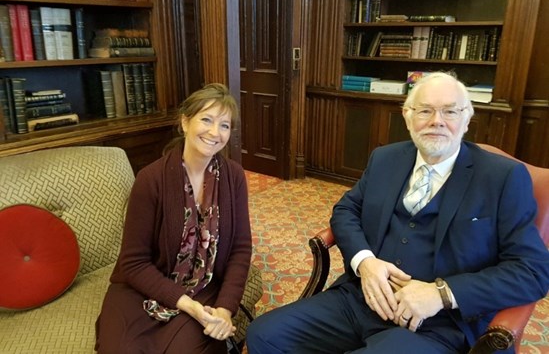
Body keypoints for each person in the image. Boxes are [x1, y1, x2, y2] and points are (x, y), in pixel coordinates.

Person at [246, 72, 549, 354]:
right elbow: (346, 210)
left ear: (467, 118)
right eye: (425, 110)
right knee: (264, 334)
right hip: (363, 298)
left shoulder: (502, 177)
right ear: (407, 116)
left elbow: (533, 272)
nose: (437, 121)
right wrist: (365, 263)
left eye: (450, 111)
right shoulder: (385, 158)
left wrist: (440, 294)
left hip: (438, 324)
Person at [95, 83, 252, 354]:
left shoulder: (233, 177)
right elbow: (133, 263)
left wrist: (225, 309)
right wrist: (187, 305)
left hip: (203, 285)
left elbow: (240, 248)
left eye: (224, 125)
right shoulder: (151, 179)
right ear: (184, 122)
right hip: (144, 287)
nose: (215, 132)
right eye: (206, 119)